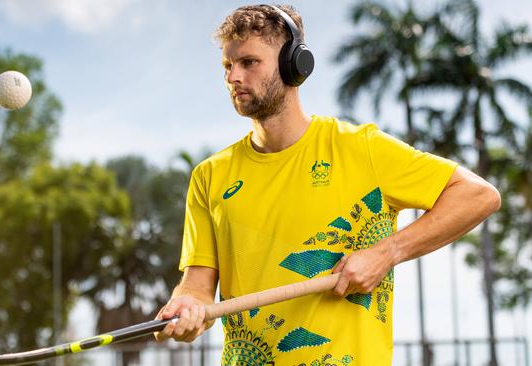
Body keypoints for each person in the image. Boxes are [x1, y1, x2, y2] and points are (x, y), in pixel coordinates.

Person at [155, 4, 501, 365]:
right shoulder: (210, 176)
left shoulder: (360, 148)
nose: (233, 77)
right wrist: (188, 307)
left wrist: (386, 253)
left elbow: (478, 195)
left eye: (249, 62)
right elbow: (197, 287)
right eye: (228, 66)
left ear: (294, 64)